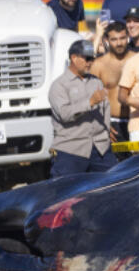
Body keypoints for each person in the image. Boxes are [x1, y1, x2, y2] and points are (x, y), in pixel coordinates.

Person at [48, 39, 114, 177]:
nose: (90, 62)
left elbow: (105, 110)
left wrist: (105, 134)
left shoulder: (96, 82)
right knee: (67, 194)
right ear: (74, 57)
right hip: (71, 150)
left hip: (100, 149)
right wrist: (89, 102)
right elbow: (64, 114)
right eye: (87, 58)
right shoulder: (59, 86)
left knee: (113, 186)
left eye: (92, 59)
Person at [89, 21, 133, 150]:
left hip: (136, 121)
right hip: (111, 124)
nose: (119, 43)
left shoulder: (137, 59)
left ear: (128, 37)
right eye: (114, 39)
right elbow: (90, 99)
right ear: (107, 40)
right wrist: (102, 125)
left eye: (122, 38)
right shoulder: (99, 64)